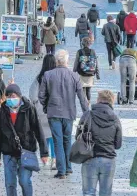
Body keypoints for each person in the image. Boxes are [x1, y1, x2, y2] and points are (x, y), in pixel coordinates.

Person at [38, 50, 89, 179]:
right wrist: (87, 113)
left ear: (56, 61)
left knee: (58, 141)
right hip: (69, 112)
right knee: (67, 140)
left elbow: (41, 96)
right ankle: (68, 167)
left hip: (53, 112)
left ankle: (61, 170)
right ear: (67, 61)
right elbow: (82, 97)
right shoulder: (74, 76)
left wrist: (46, 107)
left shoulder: (48, 75)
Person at [0, 84, 48, 196]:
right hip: (8, 152)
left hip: (26, 151)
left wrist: (44, 153)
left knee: (24, 181)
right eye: (8, 96)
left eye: (13, 96)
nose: (10, 99)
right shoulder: (3, 110)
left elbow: (38, 130)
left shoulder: (29, 108)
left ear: (19, 96)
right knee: (10, 183)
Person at [77, 90, 122, 196]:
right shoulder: (115, 118)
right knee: (106, 193)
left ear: (98, 100)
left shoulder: (87, 115)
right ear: (112, 101)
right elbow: (118, 144)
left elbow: (78, 136)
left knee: (88, 192)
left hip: (90, 157)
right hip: (108, 159)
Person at [29, 55, 57, 170]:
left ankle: (44, 157)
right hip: (54, 110)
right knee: (53, 136)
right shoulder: (56, 77)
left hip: (41, 110)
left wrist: (37, 105)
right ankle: (54, 160)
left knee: (43, 135)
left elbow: (33, 94)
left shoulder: (39, 78)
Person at [73, 37, 100, 102]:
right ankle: (88, 102)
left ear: (82, 43)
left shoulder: (79, 52)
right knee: (88, 90)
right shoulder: (93, 51)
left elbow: (76, 62)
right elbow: (96, 64)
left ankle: (84, 102)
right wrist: (97, 74)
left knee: (82, 89)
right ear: (90, 44)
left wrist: (73, 72)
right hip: (91, 73)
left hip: (81, 73)